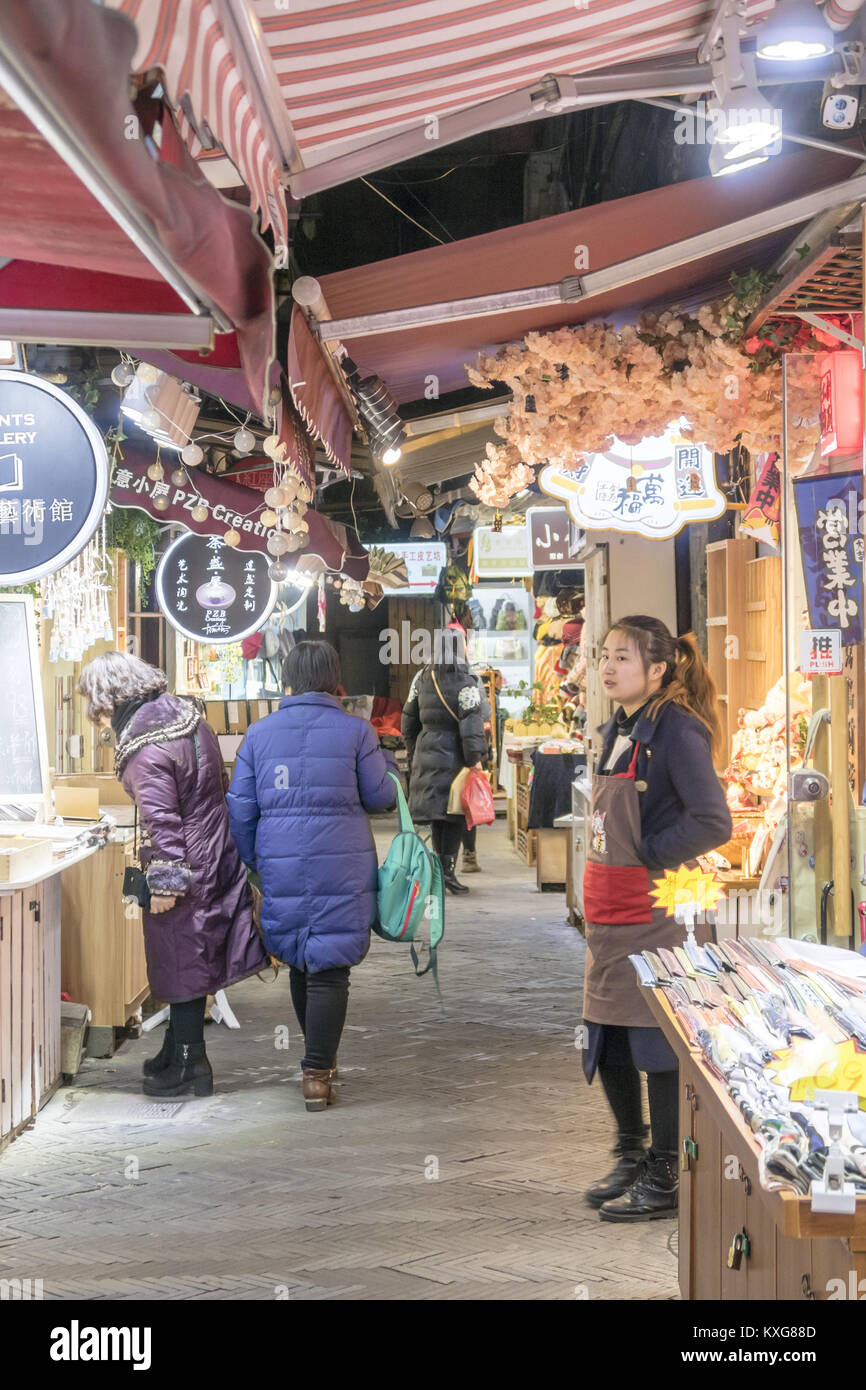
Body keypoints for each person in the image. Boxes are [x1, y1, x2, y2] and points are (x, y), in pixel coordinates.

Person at [581, 616, 731, 1222]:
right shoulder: (619, 726)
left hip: (658, 912)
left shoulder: (677, 731)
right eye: (605, 656)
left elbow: (713, 821)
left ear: (659, 669)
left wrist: (645, 854)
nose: (609, 667)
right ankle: (632, 1152)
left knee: (657, 1041)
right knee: (608, 1034)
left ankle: (668, 1173)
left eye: (622, 657)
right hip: (609, 913)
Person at [77, 651, 268, 1099]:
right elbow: (217, 783)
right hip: (214, 851)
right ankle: (175, 1050)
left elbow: (163, 819)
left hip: (184, 864)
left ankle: (190, 1064)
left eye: (96, 704)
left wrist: (165, 881)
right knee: (192, 957)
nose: (98, 717)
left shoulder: (145, 747)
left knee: (181, 960)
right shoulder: (187, 717)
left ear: (108, 698)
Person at [226, 641, 396, 1112]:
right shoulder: (356, 732)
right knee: (330, 966)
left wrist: (254, 861)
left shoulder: (259, 735)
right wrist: (391, 767)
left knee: (301, 958)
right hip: (341, 862)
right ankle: (317, 1073)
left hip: (281, 861)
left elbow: (239, 809)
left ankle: (318, 1064)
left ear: (289, 680)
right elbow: (379, 794)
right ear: (333, 679)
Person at [401, 628, 488, 895]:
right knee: (454, 816)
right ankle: (447, 871)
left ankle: (440, 871)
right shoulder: (466, 681)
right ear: (460, 648)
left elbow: (408, 719)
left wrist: (415, 748)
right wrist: (474, 759)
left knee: (438, 815)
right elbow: (471, 725)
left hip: (427, 751)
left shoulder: (422, 677)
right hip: (455, 756)